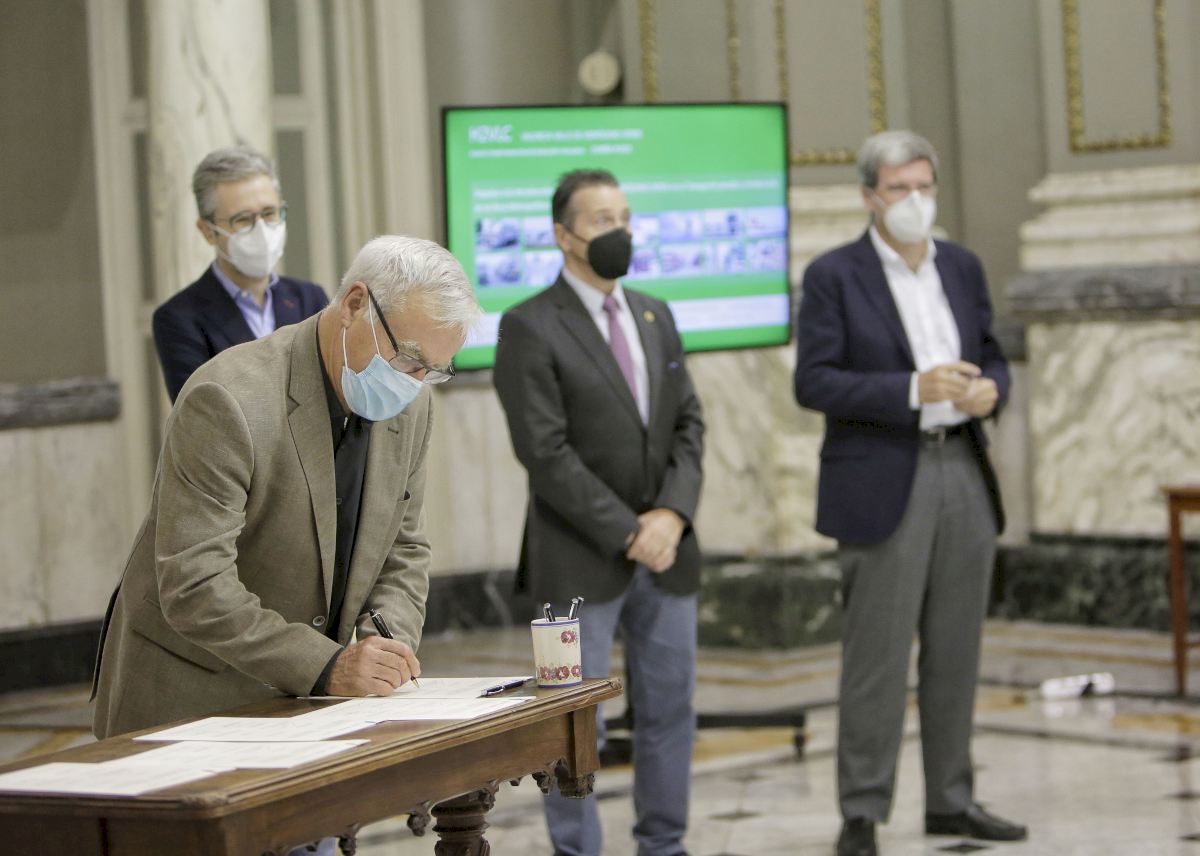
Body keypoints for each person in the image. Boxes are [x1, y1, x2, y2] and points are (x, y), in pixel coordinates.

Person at [93, 235, 480, 741]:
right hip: (192, 694)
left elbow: (403, 547)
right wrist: (326, 666)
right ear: (354, 305)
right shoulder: (228, 398)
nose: (414, 381)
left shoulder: (413, 403)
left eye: (434, 371)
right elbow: (194, 583)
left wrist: (384, 651)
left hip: (317, 701)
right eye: (408, 358)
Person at [793, 131, 1025, 856]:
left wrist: (992, 390)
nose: (915, 200)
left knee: (957, 651)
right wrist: (910, 389)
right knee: (879, 657)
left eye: (924, 186)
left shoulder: (962, 264)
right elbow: (814, 381)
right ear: (870, 196)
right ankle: (862, 811)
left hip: (963, 468)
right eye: (900, 188)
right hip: (883, 477)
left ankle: (952, 799)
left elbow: (992, 355)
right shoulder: (835, 275)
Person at [493, 169, 705, 856]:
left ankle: (663, 845)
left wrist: (671, 515)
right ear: (564, 235)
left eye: (625, 217)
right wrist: (629, 530)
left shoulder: (655, 313)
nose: (621, 232)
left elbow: (689, 423)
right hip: (577, 560)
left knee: (670, 711)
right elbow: (544, 452)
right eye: (602, 220)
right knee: (574, 725)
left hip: (668, 553)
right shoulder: (528, 325)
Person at [152, 145, 329, 402]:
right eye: (243, 219)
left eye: (269, 213)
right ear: (208, 231)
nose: (261, 230)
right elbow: (202, 413)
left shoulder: (310, 299)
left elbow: (332, 397)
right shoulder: (179, 318)